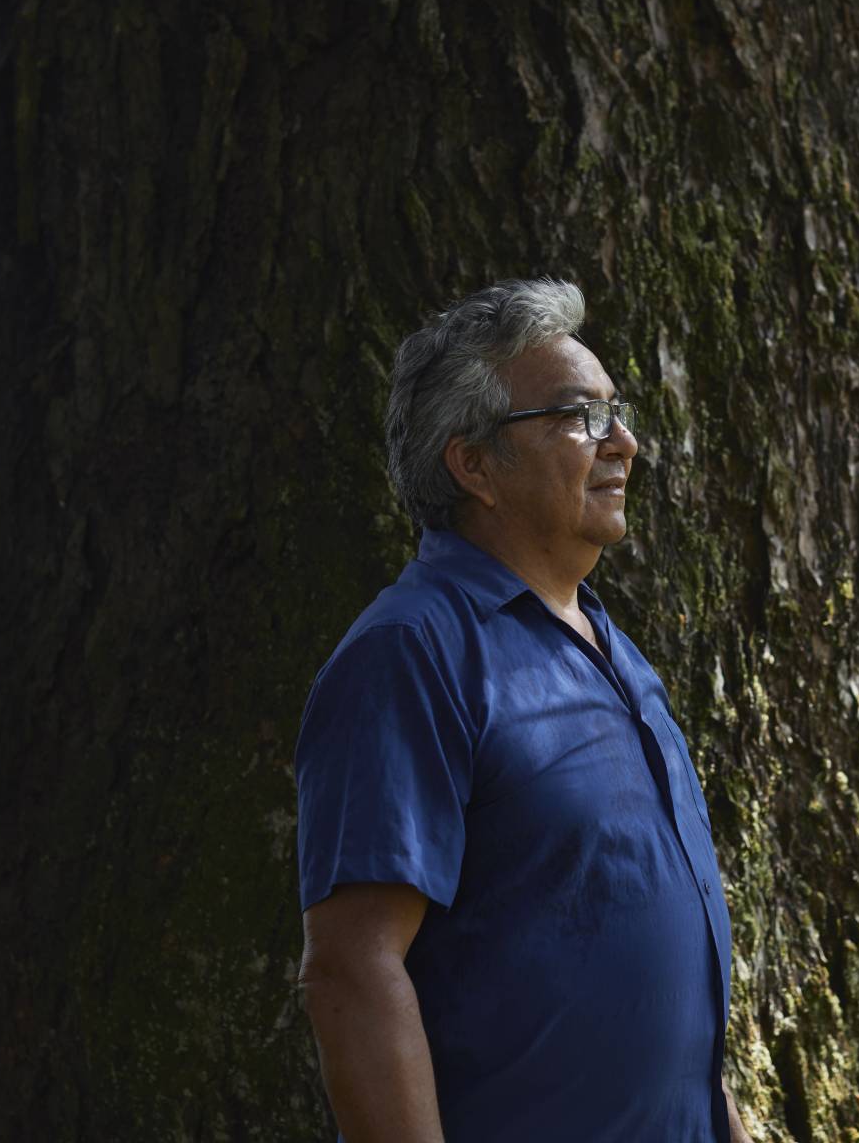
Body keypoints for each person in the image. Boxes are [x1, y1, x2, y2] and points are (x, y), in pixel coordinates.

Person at [292, 277, 756, 1142]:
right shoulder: (414, 653)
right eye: (580, 416)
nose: (624, 442)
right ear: (473, 464)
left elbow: (663, 983)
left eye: (617, 411)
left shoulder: (621, 657)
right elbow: (353, 969)